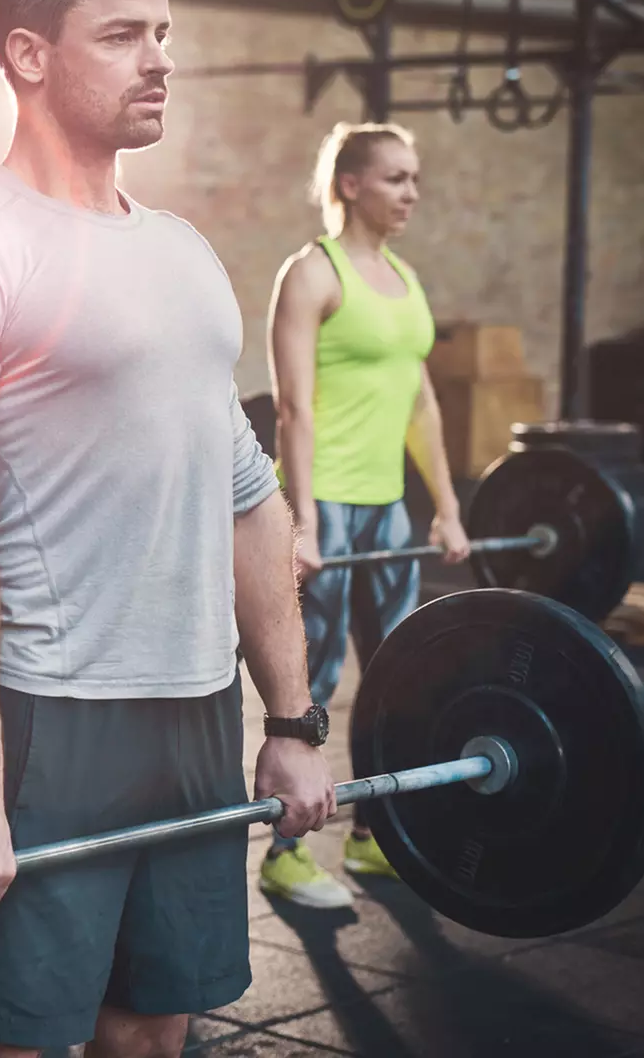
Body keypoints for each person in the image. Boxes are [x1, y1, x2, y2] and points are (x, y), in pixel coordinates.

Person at [0, 0, 335, 1058]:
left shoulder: (181, 251)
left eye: (164, 32)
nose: (159, 58)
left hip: (190, 709)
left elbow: (247, 501)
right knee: (14, 1035)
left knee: (154, 1024)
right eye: (123, 34)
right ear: (29, 56)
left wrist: (291, 718)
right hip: (47, 719)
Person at [258, 122, 470, 907]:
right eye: (394, 178)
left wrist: (446, 508)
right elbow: (291, 407)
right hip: (327, 503)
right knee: (311, 680)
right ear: (348, 185)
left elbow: (422, 404)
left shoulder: (405, 280)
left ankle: (373, 835)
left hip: (386, 509)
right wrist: (303, 523)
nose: (410, 192)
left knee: (397, 674)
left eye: (414, 178)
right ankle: (283, 853)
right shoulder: (312, 274)